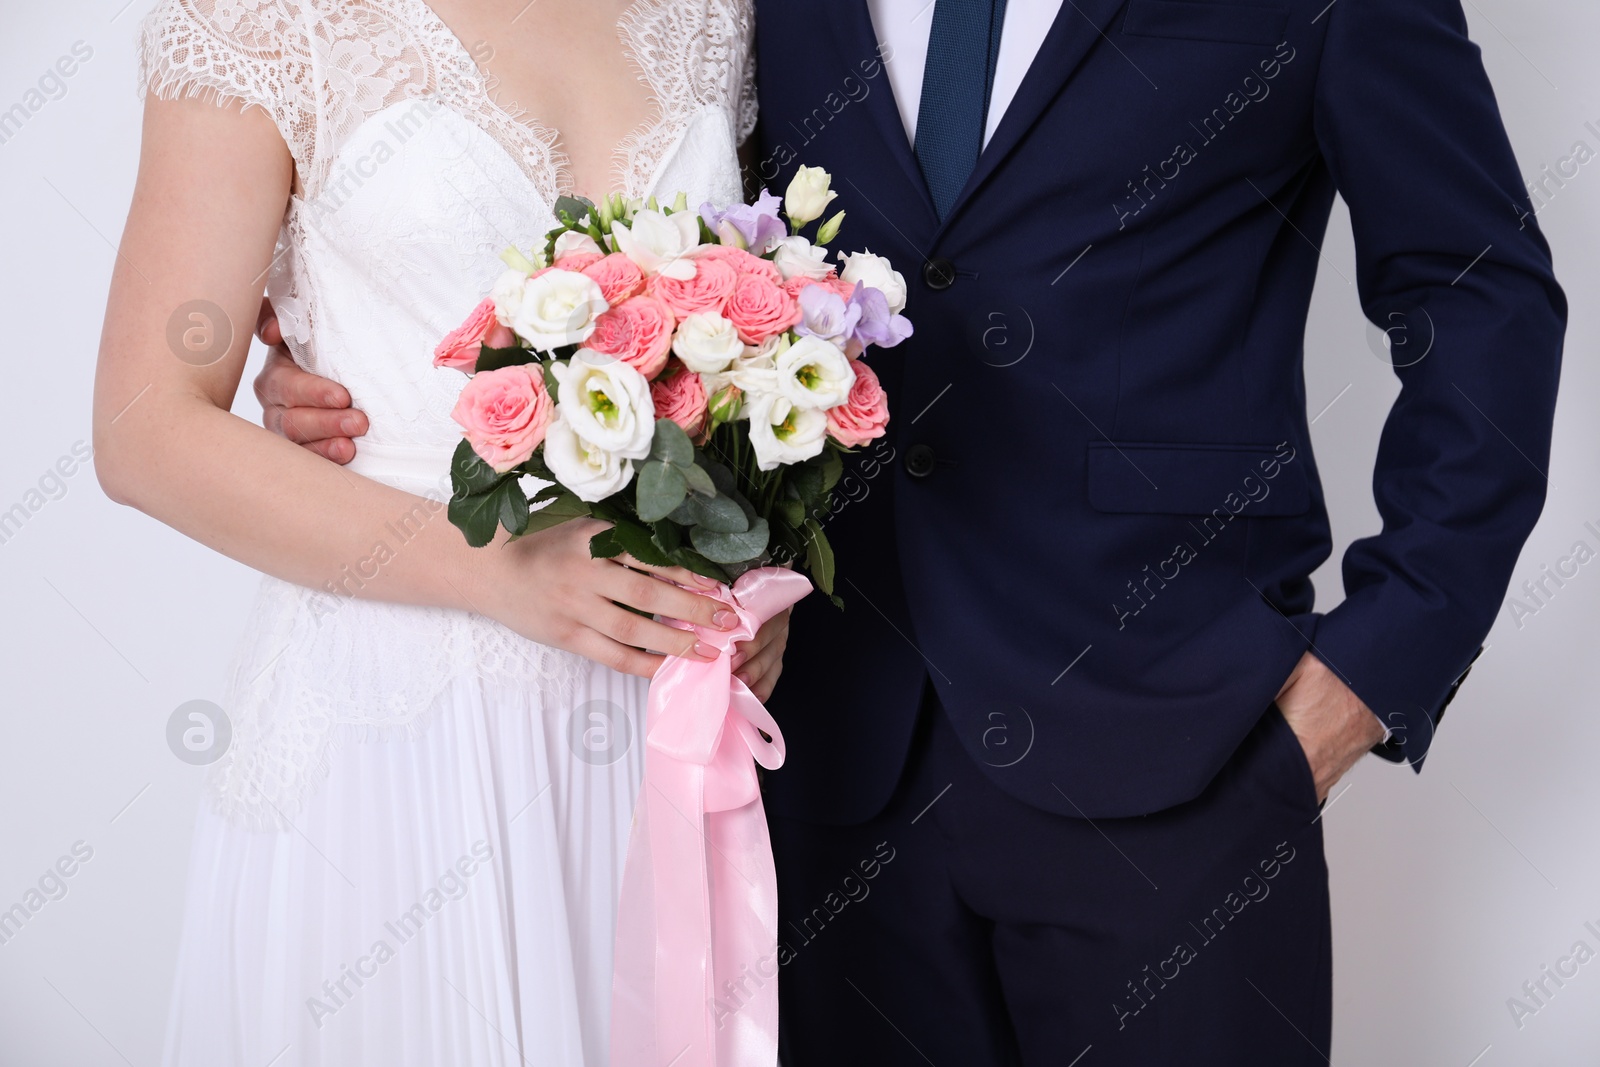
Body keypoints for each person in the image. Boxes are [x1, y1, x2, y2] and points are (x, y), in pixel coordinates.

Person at [256, 0, 1567, 1063]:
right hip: (822, 764)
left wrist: (1373, 669)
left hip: (1182, 755)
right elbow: (664, 236)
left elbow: (1480, 290)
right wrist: (347, 340)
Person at [93, 1, 775, 1064]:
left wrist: (750, 578)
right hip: (396, 730)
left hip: (650, 725)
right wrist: (494, 568)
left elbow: (731, 345)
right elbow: (144, 429)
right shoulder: (261, 18)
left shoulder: (712, 12)